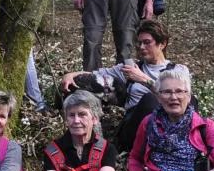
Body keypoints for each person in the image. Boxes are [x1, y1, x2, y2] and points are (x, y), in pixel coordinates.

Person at [60, 19, 175, 150]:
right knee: (142, 98)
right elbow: (94, 75)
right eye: (139, 42)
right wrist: (71, 75)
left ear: (162, 44)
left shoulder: (177, 71)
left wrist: (143, 79)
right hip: (134, 128)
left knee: (157, 99)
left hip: (165, 125)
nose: (141, 47)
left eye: (147, 43)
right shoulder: (131, 68)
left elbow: (180, 100)